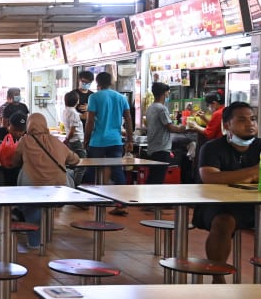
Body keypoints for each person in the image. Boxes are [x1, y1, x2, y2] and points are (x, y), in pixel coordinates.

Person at [192, 101, 261, 282]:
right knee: (223, 222)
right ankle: (217, 277)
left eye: (253, 119)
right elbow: (210, 177)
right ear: (227, 124)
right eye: (242, 120)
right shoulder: (212, 148)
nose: (250, 124)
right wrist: (256, 171)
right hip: (220, 204)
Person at [11, 113, 79, 248]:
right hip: (59, 189)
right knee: (45, 203)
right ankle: (46, 236)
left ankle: (35, 242)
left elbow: (14, 161)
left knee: (31, 207)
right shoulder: (56, 141)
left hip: (33, 188)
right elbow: (75, 159)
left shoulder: (25, 141)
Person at [83, 71, 133, 215]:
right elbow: (128, 119)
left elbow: (90, 120)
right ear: (111, 82)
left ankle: (83, 201)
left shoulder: (94, 97)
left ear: (97, 83)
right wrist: (130, 139)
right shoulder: (120, 97)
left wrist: (86, 139)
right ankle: (121, 203)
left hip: (97, 141)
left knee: (91, 170)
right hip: (115, 141)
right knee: (117, 170)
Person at [145, 82, 188, 184]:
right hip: (162, 148)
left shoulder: (150, 108)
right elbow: (170, 127)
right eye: (168, 93)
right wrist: (182, 128)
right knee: (157, 179)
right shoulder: (162, 109)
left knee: (153, 176)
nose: (168, 95)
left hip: (152, 147)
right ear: (164, 94)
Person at [62, 90, 86, 186]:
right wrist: (67, 139)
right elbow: (72, 130)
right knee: (82, 164)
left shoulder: (66, 111)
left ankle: (71, 183)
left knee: (73, 163)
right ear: (77, 101)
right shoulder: (74, 113)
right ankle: (76, 186)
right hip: (77, 141)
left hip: (72, 141)